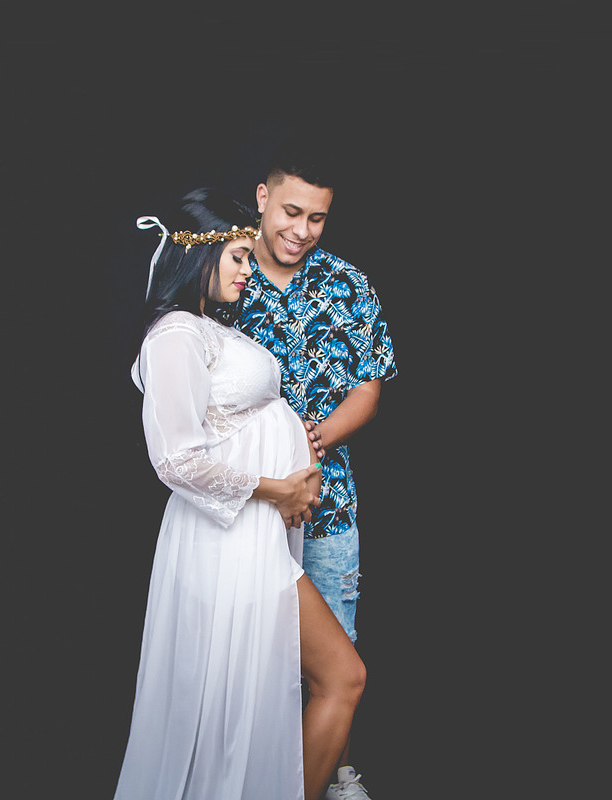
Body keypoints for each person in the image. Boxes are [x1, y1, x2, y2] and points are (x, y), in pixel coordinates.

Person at [114, 188, 366, 800]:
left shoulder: (207, 328)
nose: (248, 270)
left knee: (284, 695)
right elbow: (175, 458)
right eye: (237, 257)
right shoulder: (175, 334)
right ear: (197, 256)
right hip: (227, 546)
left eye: (249, 258)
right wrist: (280, 488)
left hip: (254, 544)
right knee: (335, 677)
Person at [226, 136, 397, 800]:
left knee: (337, 651)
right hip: (245, 506)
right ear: (262, 198)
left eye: (317, 218)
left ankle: (337, 779)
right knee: (246, 653)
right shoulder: (225, 272)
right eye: (291, 212)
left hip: (330, 504)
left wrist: (311, 442)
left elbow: (369, 388)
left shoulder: (348, 282)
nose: (301, 230)